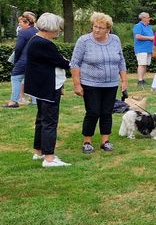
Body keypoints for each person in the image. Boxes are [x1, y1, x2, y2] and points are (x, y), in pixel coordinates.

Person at [71, 12, 128, 154]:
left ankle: (105, 141)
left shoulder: (115, 40)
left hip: (111, 84)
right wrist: (77, 84)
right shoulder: (84, 41)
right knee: (93, 112)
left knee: (107, 112)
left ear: (108, 29)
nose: (96, 30)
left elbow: (121, 61)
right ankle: (87, 142)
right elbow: (75, 63)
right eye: (95, 26)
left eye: (101, 28)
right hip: (90, 83)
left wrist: (124, 80)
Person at [25, 13, 72, 167]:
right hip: (47, 87)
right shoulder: (44, 43)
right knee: (50, 121)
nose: (59, 31)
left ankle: (39, 151)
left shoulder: (36, 40)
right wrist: (68, 62)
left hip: (40, 87)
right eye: (57, 29)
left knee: (41, 120)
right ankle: (49, 158)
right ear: (50, 28)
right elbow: (61, 62)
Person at [5, 12, 38, 108]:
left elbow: (18, 48)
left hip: (24, 60)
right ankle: (35, 101)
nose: (19, 24)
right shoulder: (37, 31)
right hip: (35, 61)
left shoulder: (23, 33)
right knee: (32, 79)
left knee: (15, 78)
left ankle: (13, 101)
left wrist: (16, 60)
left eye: (21, 23)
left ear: (27, 23)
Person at [133, 12, 155, 88]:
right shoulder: (138, 26)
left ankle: (142, 79)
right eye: (148, 17)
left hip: (148, 49)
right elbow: (138, 36)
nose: (149, 19)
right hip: (141, 49)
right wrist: (150, 38)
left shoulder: (149, 27)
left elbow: (152, 36)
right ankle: (140, 80)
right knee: (141, 64)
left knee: (145, 64)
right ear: (143, 18)